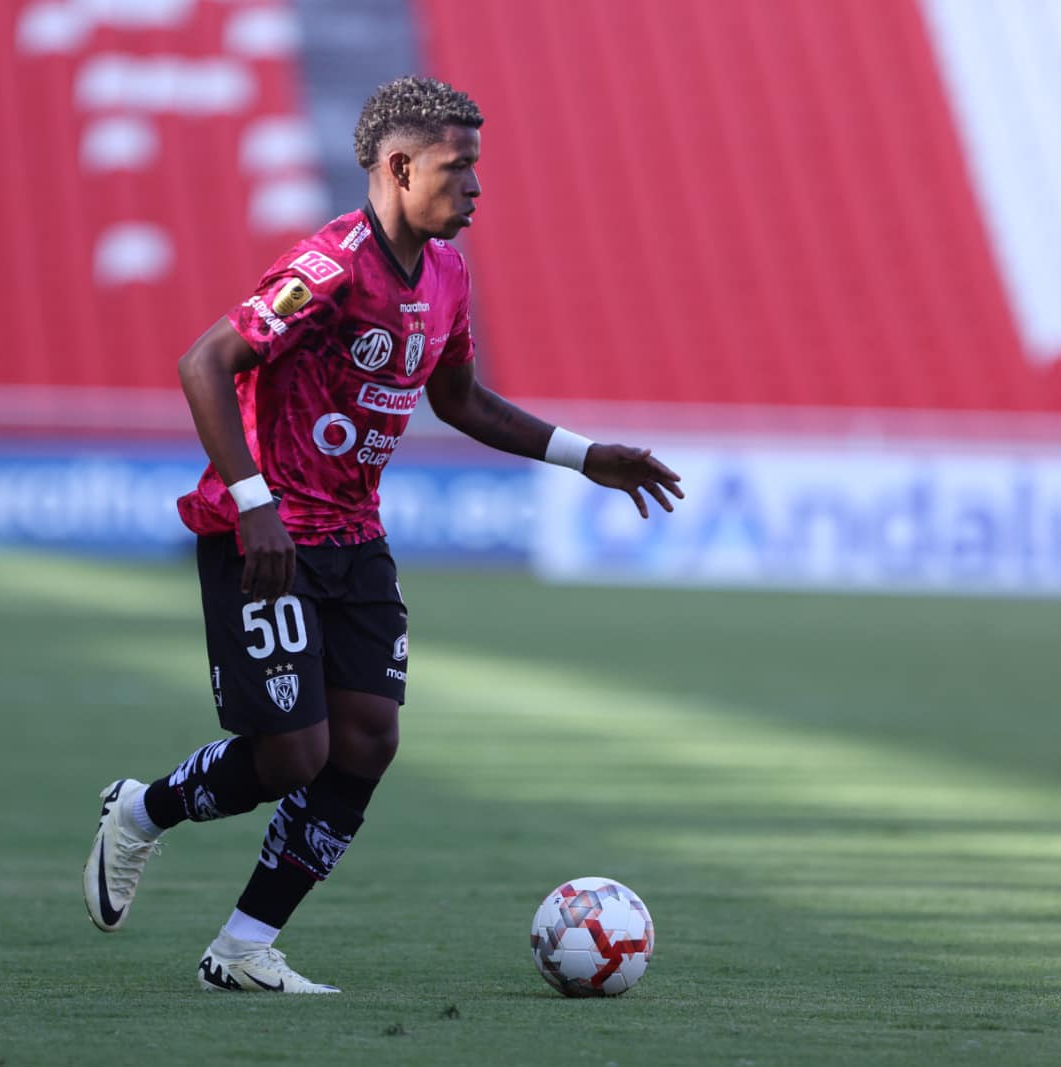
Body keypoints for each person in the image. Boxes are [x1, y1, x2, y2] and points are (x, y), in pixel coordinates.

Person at [83, 76, 682, 994]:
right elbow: (203, 361)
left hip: (356, 537)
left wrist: (583, 453)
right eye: (460, 168)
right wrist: (252, 503)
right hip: (267, 535)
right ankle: (141, 812)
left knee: (368, 739)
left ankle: (244, 946)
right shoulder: (328, 270)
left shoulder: (445, 272)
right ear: (400, 168)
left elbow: (458, 398)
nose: (477, 187)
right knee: (294, 755)